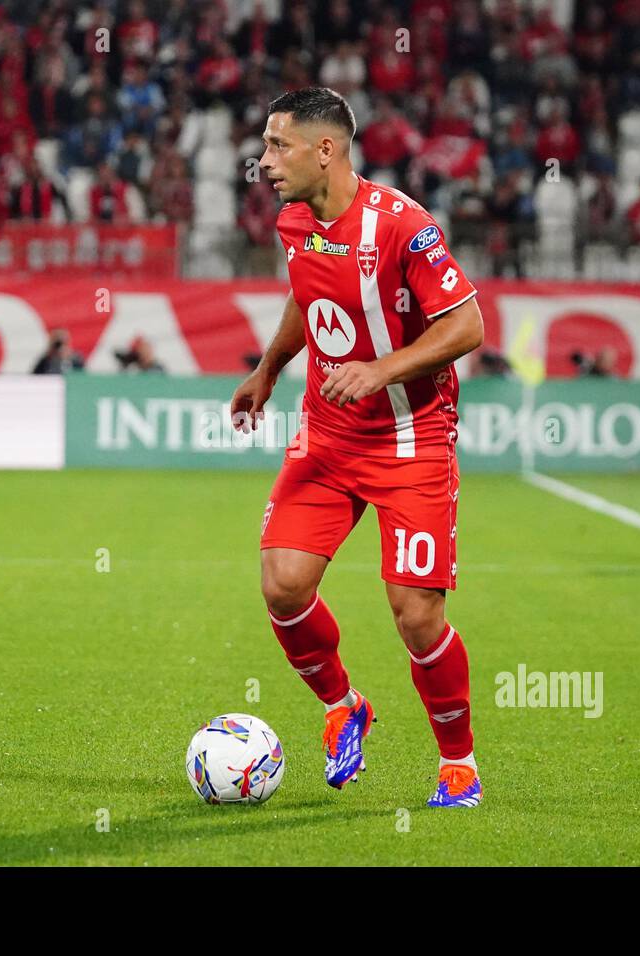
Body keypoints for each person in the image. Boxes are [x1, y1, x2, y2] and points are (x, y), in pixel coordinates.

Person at [230, 88, 485, 809]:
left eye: (279, 146)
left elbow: (466, 327)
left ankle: (458, 764)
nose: (265, 160)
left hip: (411, 440)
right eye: (265, 144)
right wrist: (269, 368)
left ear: (326, 151)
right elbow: (307, 296)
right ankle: (344, 705)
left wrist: (382, 368)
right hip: (329, 433)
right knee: (282, 584)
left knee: (417, 614)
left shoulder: (405, 226)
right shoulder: (294, 221)